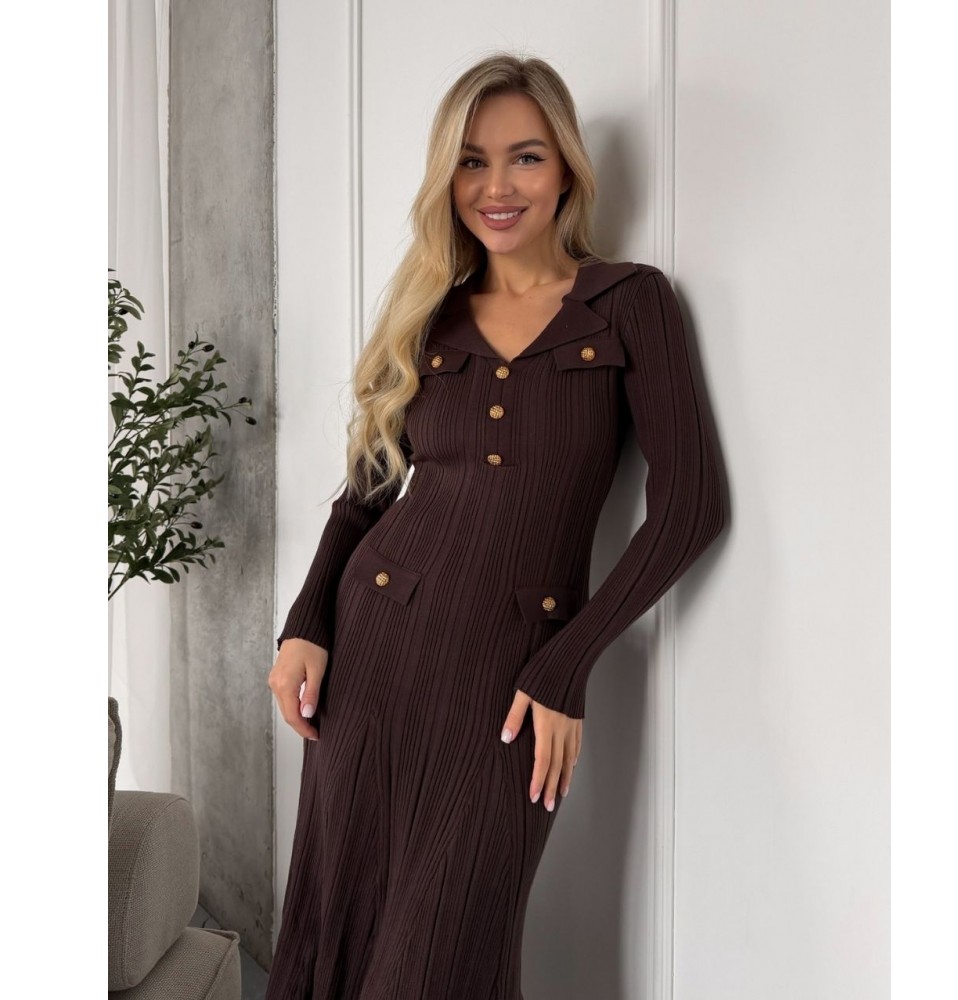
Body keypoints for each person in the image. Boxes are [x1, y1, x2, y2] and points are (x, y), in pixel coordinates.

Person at [265, 51, 725, 1000]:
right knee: (338, 925)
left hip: (510, 683)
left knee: (443, 956)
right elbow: (365, 493)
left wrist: (564, 664)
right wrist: (305, 623)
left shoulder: (629, 301)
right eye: (472, 161)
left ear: (566, 169)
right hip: (372, 656)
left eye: (525, 157)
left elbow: (691, 508)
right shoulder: (428, 313)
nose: (497, 187)